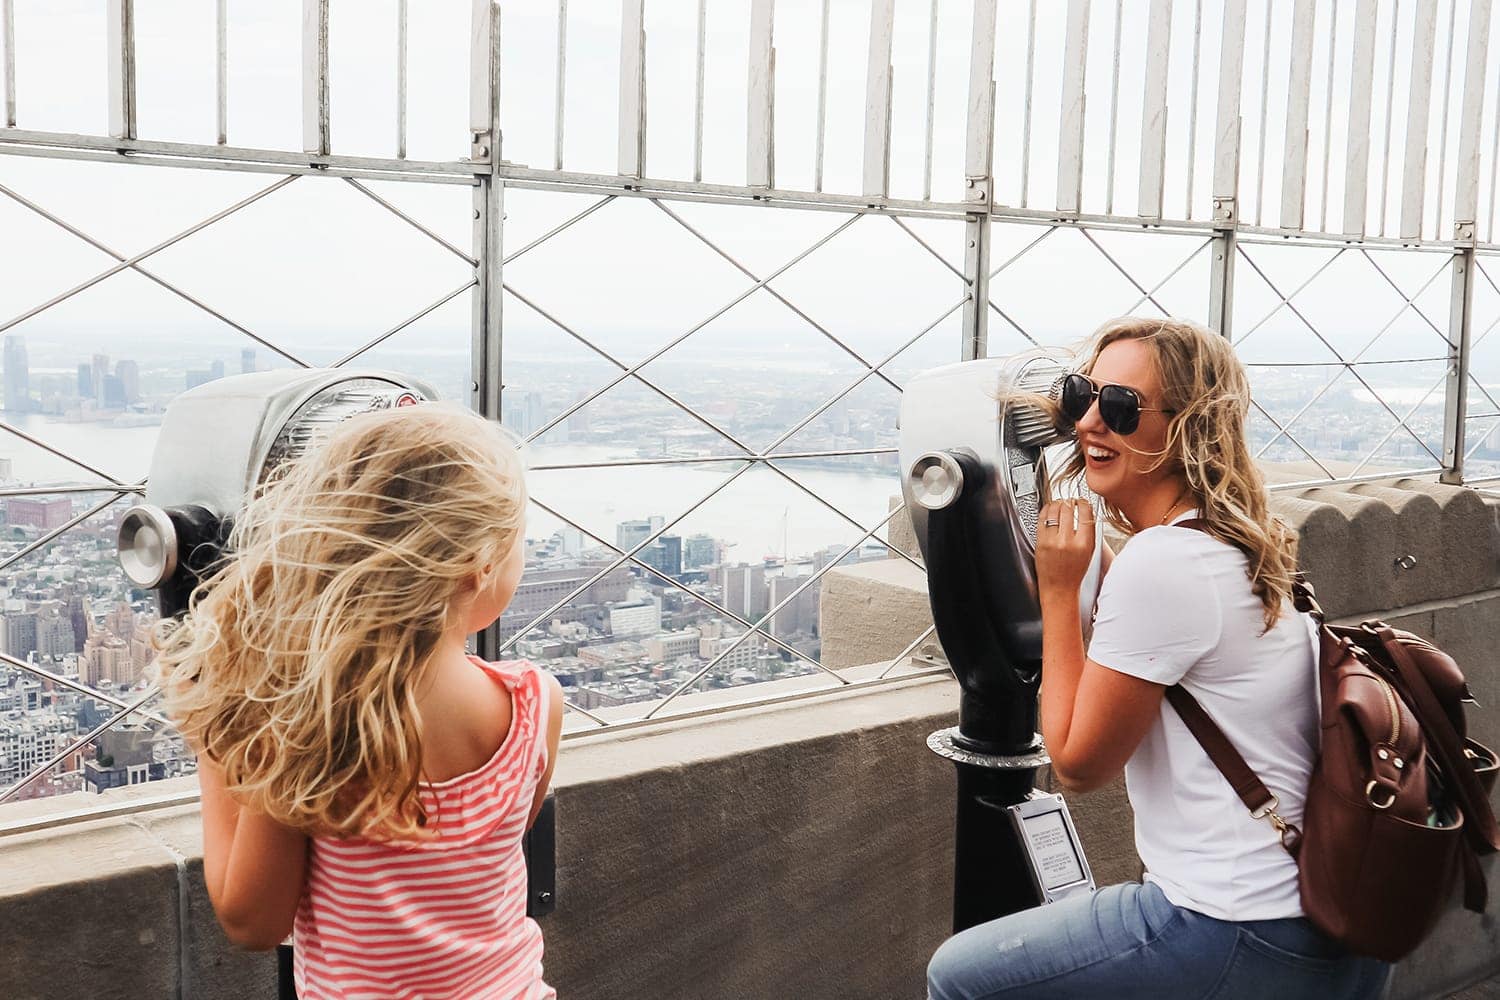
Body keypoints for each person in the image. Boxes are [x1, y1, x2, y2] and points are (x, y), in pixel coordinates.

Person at [926, 318, 1390, 999]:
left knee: (960, 976)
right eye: (1083, 396)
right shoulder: (1224, 543)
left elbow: (1080, 765)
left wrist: (1057, 593)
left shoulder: (1165, 563)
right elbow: (1157, 633)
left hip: (1233, 925)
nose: (1088, 423)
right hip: (1329, 919)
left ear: (1188, 428)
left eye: (1120, 408)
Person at [152, 402, 564, 1000]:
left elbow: (252, 922)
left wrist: (219, 746)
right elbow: (482, 853)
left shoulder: (308, 730)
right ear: (478, 566)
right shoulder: (534, 706)